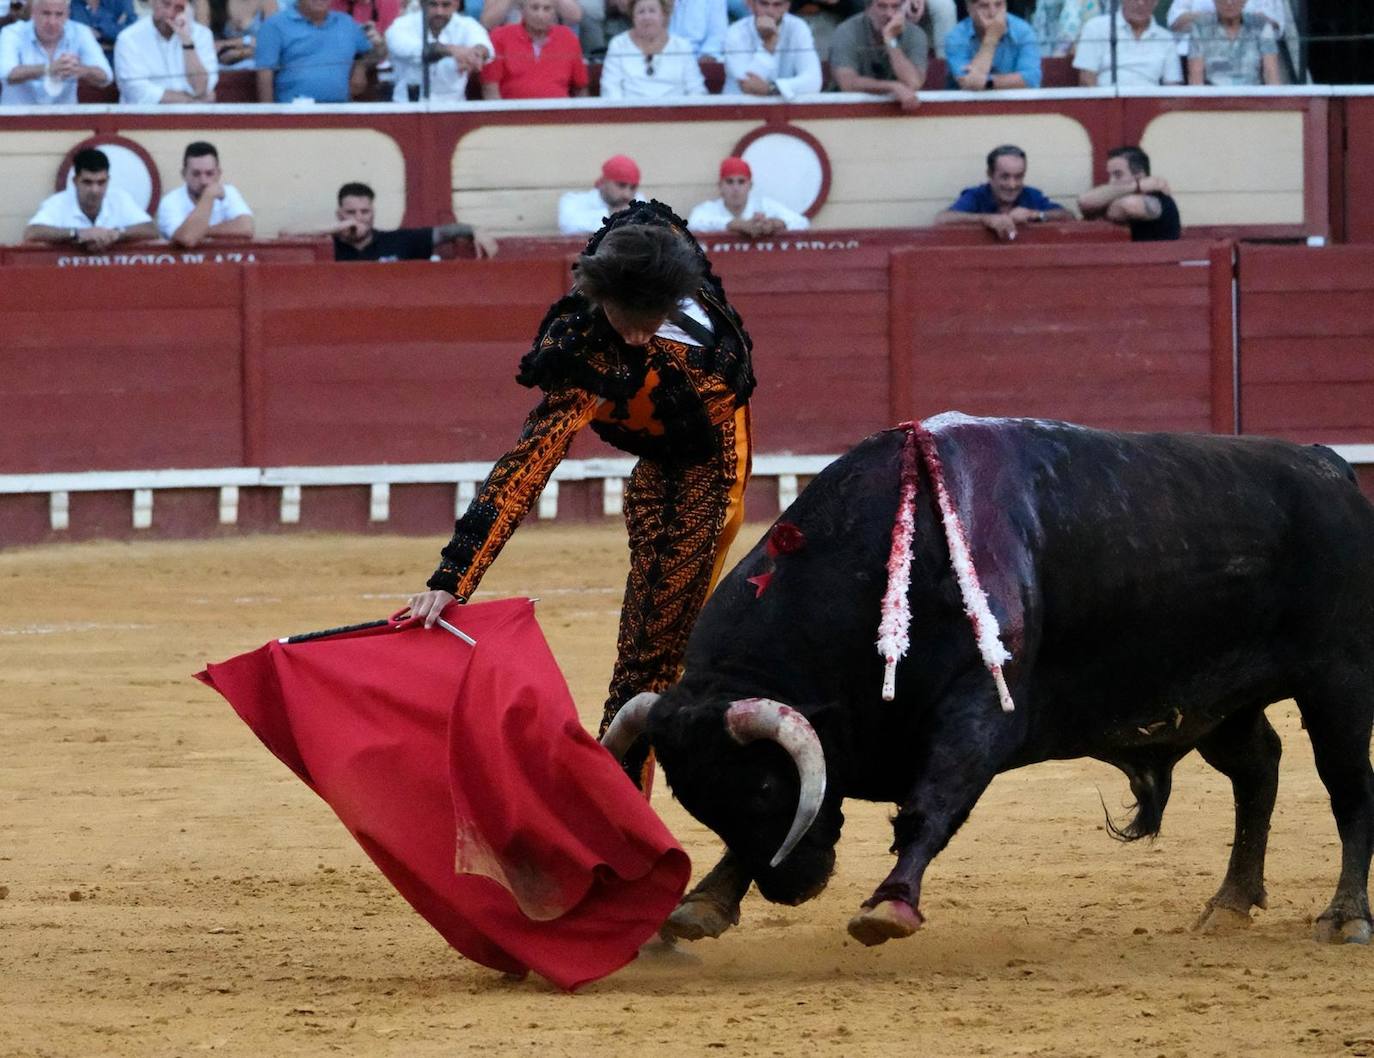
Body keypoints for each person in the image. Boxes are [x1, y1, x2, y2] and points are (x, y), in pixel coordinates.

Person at [404, 201, 756, 752]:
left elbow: (701, 459)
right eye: (627, 321)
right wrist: (453, 576)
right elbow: (530, 462)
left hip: (703, 459)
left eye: (652, 321)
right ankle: (618, 797)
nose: (637, 338)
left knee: (654, 651)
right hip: (669, 442)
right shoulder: (588, 344)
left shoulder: (691, 322)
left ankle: (621, 787)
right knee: (654, 656)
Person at [281, 181, 499, 261]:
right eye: (351, 212)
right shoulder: (329, 247)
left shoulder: (397, 241)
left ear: (373, 212)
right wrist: (337, 228)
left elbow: (445, 232)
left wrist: (473, 229)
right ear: (339, 214)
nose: (359, 218)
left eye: (365, 212)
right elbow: (285, 234)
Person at [23, 147, 158, 248]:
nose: (95, 190)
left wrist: (116, 234)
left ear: (108, 180)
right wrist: (76, 234)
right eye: (88, 182)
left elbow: (151, 229)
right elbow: (32, 232)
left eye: (101, 182)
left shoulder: (120, 199)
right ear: (75, 181)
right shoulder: (58, 203)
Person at [934, 144, 1074, 241]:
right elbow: (942, 219)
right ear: (990, 174)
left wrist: (1035, 214)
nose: (1012, 185)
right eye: (1005, 177)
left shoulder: (1031, 195)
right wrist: (986, 219)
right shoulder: (977, 195)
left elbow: (1069, 217)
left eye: (1018, 177)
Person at [253, 0, 385, 103]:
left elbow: (378, 53)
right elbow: (265, 72)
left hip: (340, 111)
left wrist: (361, 66)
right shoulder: (275, 25)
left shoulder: (346, 23)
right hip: (294, 111)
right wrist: (269, 115)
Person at [0, 0, 112, 105]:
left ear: (68, 14)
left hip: (65, 120)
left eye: (59, 14)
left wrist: (81, 70)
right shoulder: (12, 32)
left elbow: (106, 76)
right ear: (33, 13)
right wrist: (48, 69)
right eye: (46, 13)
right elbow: (5, 74)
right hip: (17, 121)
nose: (52, 22)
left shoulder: (81, 32)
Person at [827, 0, 925, 112]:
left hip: (898, 112)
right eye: (882, 6)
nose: (889, 14)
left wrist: (890, 40)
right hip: (846, 111)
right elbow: (847, 83)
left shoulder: (915, 34)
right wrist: (892, 86)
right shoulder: (846, 31)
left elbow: (913, 82)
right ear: (868, 9)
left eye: (895, 7)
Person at [385, 0, 492, 102]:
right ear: (422, 3)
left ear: (456, 5)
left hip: (454, 108)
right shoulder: (401, 25)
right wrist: (452, 50)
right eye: (433, 4)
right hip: (407, 107)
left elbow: (484, 46)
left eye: (446, 5)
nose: (439, 12)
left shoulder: (467, 25)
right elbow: (411, 50)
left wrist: (476, 55)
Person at [113, 0, 218, 103]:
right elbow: (136, 92)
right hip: (145, 117)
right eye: (166, 4)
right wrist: (191, 100)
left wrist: (187, 41)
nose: (170, 13)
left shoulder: (202, 35)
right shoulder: (129, 38)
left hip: (194, 118)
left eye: (179, 8)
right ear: (152, 2)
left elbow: (202, 89)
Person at [480, 0, 587, 99]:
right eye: (534, 8)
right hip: (513, 115)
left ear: (555, 13)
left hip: (560, 115)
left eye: (547, 9)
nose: (540, 15)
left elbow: (580, 88)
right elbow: (490, 88)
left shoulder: (567, 37)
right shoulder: (500, 37)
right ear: (522, 10)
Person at [599, 0, 706, 99]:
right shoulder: (618, 44)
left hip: (675, 115)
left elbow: (696, 89)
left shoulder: (682, 46)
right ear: (633, 17)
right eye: (641, 12)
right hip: (630, 115)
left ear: (663, 15)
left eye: (652, 11)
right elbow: (610, 89)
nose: (647, 17)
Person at [156, 141, 255, 247]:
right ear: (184, 174)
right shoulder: (170, 201)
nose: (203, 181)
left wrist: (200, 231)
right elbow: (187, 239)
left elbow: (246, 228)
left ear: (218, 174)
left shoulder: (228, 192)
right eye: (196, 174)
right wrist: (208, 196)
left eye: (209, 173)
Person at [1076, 145, 1181, 242]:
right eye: (1110, 175)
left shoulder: (1159, 198)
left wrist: (1100, 212)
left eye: (1118, 175)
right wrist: (1136, 186)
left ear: (1139, 174)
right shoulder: (1130, 189)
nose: (1111, 181)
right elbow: (1083, 201)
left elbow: (1129, 206)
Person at [721, 0, 822, 99]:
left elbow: (813, 81)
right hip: (739, 108)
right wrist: (768, 46)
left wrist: (772, 88)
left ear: (787, 6)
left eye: (777, 5)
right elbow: (748, 85)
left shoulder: (798, 27)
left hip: (784, 109)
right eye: (764, 4)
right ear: (750, 4)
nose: (770, 11)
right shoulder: (735, 32)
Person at [687, 156, 809, 236]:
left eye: (741, 182)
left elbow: (802, 222)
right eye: (729, 182)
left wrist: (773, 224)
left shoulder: (764, 205)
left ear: (750, 186)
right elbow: (694, 223)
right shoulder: (709, 208)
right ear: (720, 186)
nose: (735, 188)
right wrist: (737, 224)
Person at [1073, 0, 1181, 86]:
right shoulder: (1096, 27)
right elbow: (1086, 79)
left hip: (1150, 104)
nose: (1140, 3)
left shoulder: (1166, 38)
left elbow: (1172, 84)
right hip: (1106, 104)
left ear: (1156, 2)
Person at [943, 0, 1040, 90]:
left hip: (1015, 104)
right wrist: (991, 39)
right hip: (968, 105)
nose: (992, 13)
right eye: (984, 6)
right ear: (969, 8)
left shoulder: (1023, 31)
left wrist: (988, 83)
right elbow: (966, 81)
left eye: (998, 5)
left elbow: (1031, 78)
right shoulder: (956, 36)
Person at [1185, 0, 1280, 86]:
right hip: (1213, 99)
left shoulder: (1261, 25)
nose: (1229, 2)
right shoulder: (1200, 27)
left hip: (1253, 97)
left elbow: (1271, 72)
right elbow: (1196, 75)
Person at [559, 154, 642, 235]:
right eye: (621, 185)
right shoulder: (572, 201)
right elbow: (568, 226)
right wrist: (613, 214)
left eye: (633, 187)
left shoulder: (638, 200)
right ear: (604, 182)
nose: (627, 194)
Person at [194, 0, 278, 69]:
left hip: (259, 64)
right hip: (221, 64)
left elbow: (272, 43)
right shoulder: (209, 3)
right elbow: (202, 40)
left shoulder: (268, 3)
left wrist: (239, 53)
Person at [69, 0, 136, 54]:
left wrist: (100, 32)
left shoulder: (121, 2)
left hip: (118, 60)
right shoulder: (73, 5)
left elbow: (133, 32)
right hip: (85, 64)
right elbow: (72, 42)